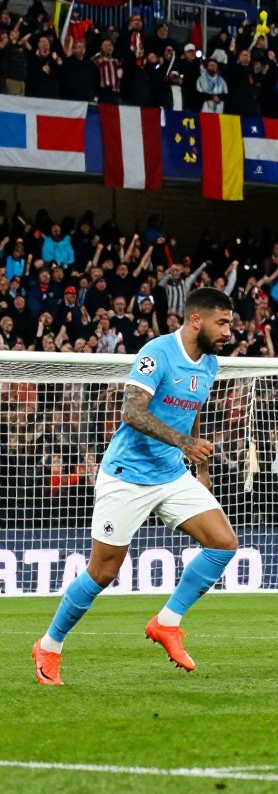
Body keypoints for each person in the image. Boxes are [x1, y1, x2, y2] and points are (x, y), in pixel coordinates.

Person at [32, 288, 238, 685]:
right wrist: (185, 443)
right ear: (197, 320)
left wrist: (200, 468)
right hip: (127, 475)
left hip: (172, 474)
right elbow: (131, 411)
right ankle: (50, 645)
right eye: (222, 322)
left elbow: (191, 410)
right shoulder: (157, 353)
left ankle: (167, 622)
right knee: (102, 572)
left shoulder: (209, 363)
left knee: (223, 542)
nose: (229, 330)